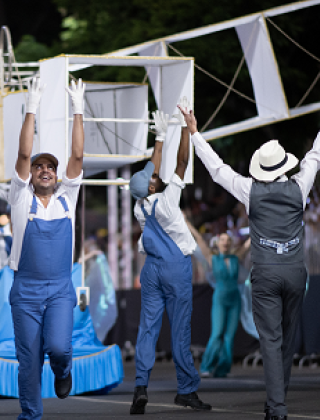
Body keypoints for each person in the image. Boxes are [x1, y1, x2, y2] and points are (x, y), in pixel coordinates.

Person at [180, 86, 320, 420]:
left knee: (270, 339)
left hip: (266, 272)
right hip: (296, 271)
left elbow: (217, 169)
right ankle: (277, 401)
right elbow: (317, 149)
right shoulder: (299, 185)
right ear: (284, 165)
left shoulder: (251, 190)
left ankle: (277, 406)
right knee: (287, 338)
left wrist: (195, 133)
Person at [8, 76, 86, 420]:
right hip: (24, 290)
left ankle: (63, 371)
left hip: (59, 289)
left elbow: (78, 155)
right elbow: (24, 152)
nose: (44, 171)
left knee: (58, 347)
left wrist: (78, 110)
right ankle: (31, 416)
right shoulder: (21, 198)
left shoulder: (68, 199)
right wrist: (31, 107)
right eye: (39, 167)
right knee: (28, 361)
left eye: (50, 168)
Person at [128, 105, 211, 415]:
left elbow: (152, 170)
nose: (154, 175)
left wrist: (160, 138)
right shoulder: (168, 198)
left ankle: (140, 387)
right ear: (151, 184)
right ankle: (186, 391)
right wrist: (188, 131)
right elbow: (182, 162)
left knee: (147, 329)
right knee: (180, 331)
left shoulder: (140, 207)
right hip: (175, 268)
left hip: (151, 269)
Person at [187, 228, 251, 378]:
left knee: (229, 336)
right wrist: (188, 224)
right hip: (220, 300)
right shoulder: (212, 258)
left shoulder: (236, 257)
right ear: (218, 243)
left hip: (234, 299)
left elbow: (249, 244)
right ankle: (206, 367)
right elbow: (201, 241)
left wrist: (260, 224)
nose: (226, 242)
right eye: (222, 240)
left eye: (228, 240)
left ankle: (223, 369)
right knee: (217, 334)